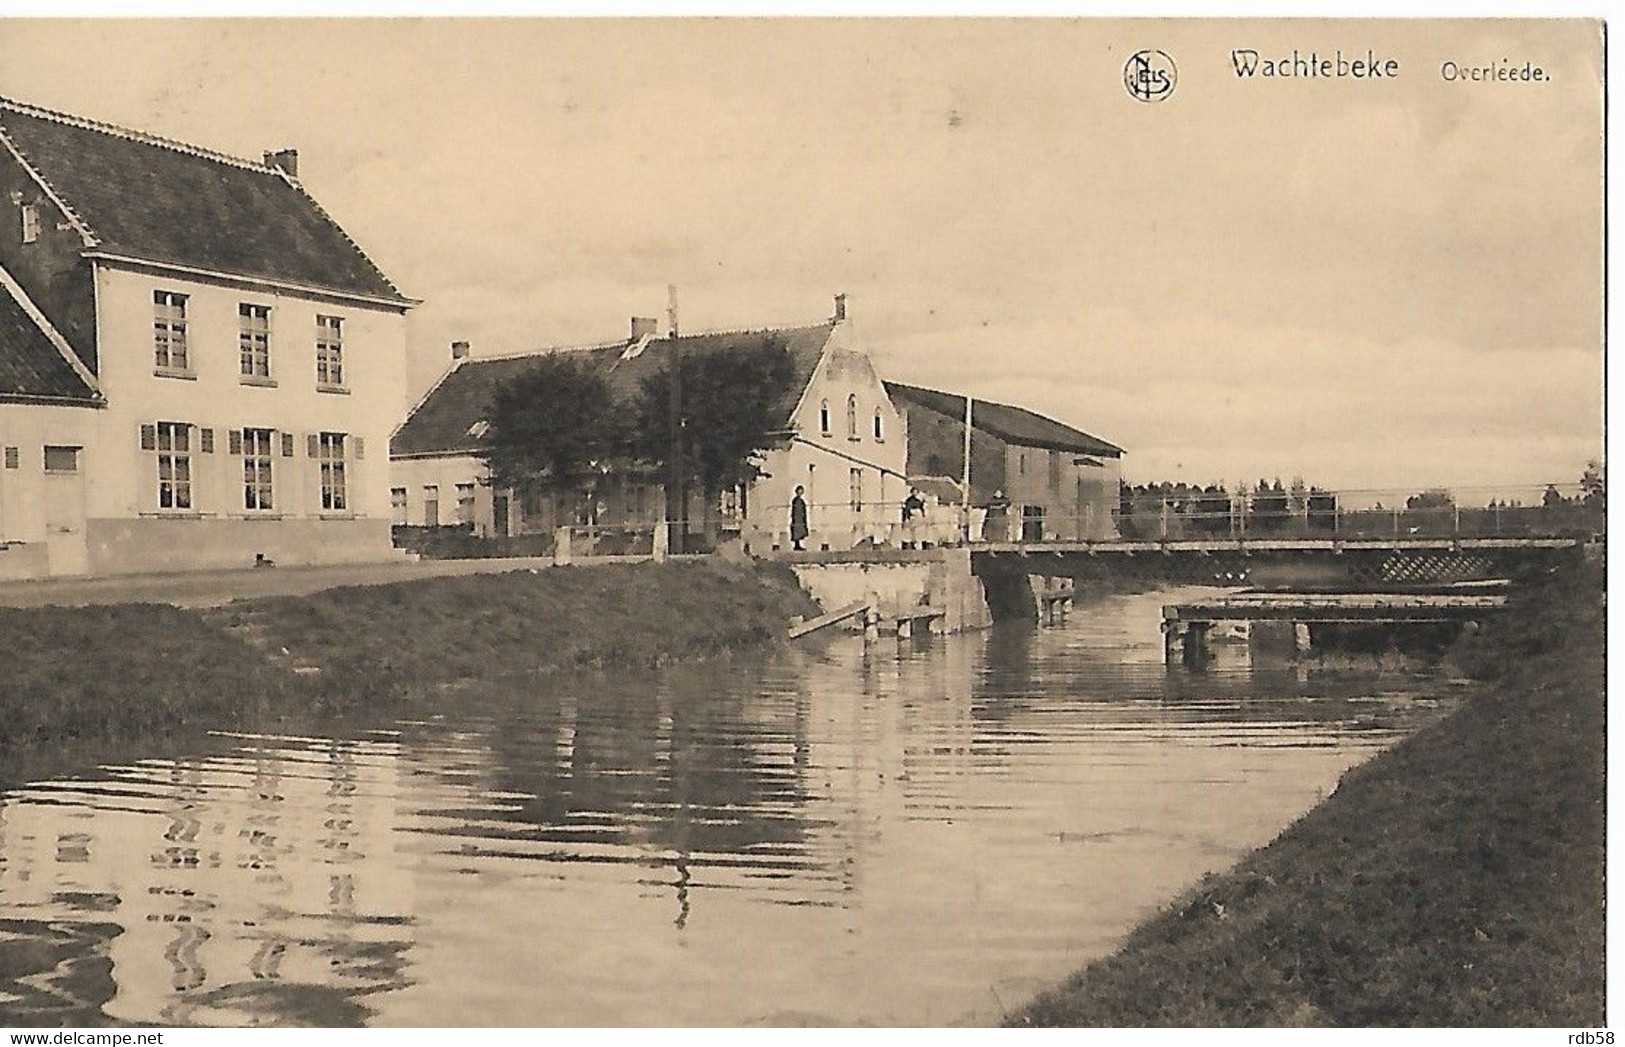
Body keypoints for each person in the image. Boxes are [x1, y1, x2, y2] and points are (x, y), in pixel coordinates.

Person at [789, 485, 809, 551]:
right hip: (797, 518)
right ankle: (796, 545)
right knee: (797, 531)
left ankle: (798, 545)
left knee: (799, 531)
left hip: (800, 518)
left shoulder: (799, 500)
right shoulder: (796, 500)